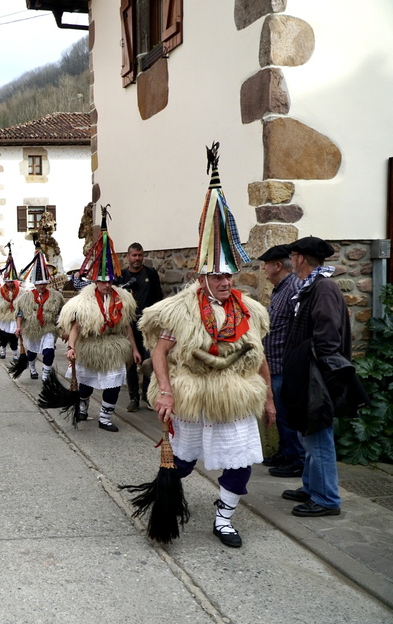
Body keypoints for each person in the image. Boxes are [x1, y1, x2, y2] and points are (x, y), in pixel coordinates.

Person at [139, 146, 274, 548]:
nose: (224, 282)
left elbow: (258, 356)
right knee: (179, 463)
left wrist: (268, 400)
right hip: (192, 398)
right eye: (216, 276)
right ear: (202, 275)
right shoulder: (181, 310)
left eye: (228, 276)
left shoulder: (249, 309)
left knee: (241, 464)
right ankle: (164, 503)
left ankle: (225, 517)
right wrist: (164, 391)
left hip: (234, 397)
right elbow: (160, 353)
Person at [280, 236, 358, 517]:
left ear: (300, 258)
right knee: (308, 435)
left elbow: (326, 340)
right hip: (308, 375)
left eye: (293, 255)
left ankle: (326, 498)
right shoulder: (313, 286)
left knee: (318, 436)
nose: (291, 260)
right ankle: (312, 486)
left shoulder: (322, 288)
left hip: (317, 377)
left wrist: (308, 365)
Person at [59, 220, 140, 432]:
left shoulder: (122, 299)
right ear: (95, 280)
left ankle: (105, 418)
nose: (106, 285)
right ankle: (83, 406)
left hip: (113, 346)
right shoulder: (83, 301)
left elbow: (127, 326)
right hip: (90, 346)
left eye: (109, 281)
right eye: (102, 281)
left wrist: (134, 349)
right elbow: (76, 327)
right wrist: (71, 347)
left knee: (113, 384)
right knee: (86, 384)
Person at [258, 244, 305, 478]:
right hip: (274, 363)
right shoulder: (279, 289)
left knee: (285, 413)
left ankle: (296, 458)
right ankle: (286, 452)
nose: (263, 269)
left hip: (284, 364)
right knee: (280, 412)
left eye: (266, 264)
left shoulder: (294, 287)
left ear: (277, 265)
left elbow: (300, 327)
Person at [119, 242, 164, 411]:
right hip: (129, 324)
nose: (137, 259)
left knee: (148, 361)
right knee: (130, 360)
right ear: (128, 257)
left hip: (148, 324)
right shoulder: (122, 276)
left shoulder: (150, 274)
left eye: (140, 255)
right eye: (134, 255)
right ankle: (133, 398)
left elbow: (158, 298)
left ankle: (146, 394)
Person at [15, 250, 65, 381]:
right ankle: (32, 368)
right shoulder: (25, 298)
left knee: (49, 352)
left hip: (48, 328)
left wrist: (64, 330)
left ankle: (45, 375)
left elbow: (62, 313)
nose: (42, 286)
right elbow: (19, 313)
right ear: (35, 283)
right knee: (31, 353)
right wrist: (18, 327)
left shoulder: (56, 296)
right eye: (39, 283)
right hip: (31, 329)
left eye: (44, 283)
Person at [0, 248, 21, 361]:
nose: (10, 283)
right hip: (2, 317)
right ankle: (3, 350)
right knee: (3, 335)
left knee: (14, 336)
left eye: (12, 281)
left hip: (13, 317)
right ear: (5, 281)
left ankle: (15, 353)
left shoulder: (20, 292)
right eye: (8, 281)